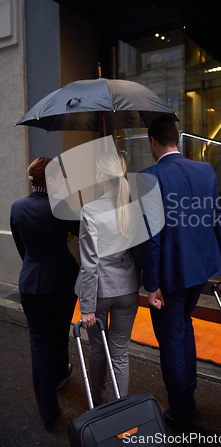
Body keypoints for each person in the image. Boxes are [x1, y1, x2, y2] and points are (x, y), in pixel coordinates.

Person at [137, 114, 221, 429]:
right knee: (184, 327)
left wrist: (151, 285)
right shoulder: (204, 170)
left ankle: (180, 410)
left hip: (170, 276)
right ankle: (187, 396)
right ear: (176, 138)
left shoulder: (150, 176)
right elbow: (215, 218)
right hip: (200, 271)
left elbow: (151, 238)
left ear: (153, 141)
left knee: (170, 340)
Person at [10, 157, 80, 429]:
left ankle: (47, 410)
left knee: (39, 343)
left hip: (31, 283)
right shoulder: (61, 207)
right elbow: (82, 233)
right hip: (62, 282)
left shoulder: (17, 208)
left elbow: (22, 249)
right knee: (60, 331)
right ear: (50, 180)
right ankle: (61, 373)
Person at [75, 151, 140, 405]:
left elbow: (89, 263)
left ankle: (100, 406)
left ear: (102, 175)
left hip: (100, 292)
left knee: (98, 350)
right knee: (120, 354)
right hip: (128, 288)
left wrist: (87, 306)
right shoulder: (132, 207)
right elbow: (139, 252)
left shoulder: (90, 210)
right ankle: (119, 411)